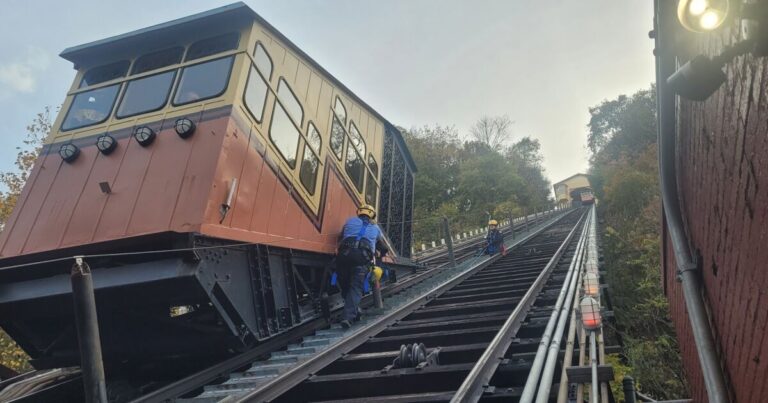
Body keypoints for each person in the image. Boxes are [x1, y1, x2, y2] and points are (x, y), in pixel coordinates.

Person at [336, 204, 388, 328]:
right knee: (355, 288)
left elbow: (340, 236)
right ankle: (348, 317)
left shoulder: (349, 221)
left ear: (359, 213)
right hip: (361, 259)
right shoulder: (375, 229)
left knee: (345, 285)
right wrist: (382, 254)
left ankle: (354, 310)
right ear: (371, 216)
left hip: (344, 256)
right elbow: (383, 246)